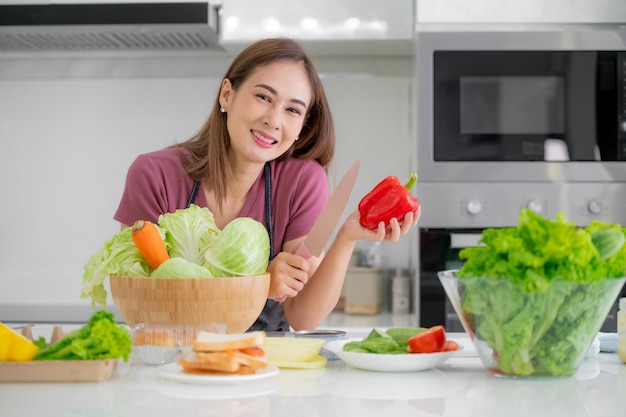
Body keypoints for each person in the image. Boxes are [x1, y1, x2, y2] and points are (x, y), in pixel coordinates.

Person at [114, 38, 420, 331]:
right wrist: (260, 283)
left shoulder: (303, 182)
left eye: (293, 110)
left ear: (301, 126)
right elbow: (140, 300)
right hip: (174, 358)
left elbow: (303, 317)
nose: (274, 120)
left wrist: (346, 238)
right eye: (264, 97)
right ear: (227, 95)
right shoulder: (155, 174)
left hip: (264, 364)